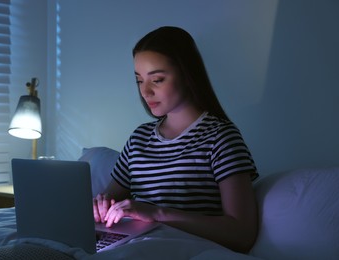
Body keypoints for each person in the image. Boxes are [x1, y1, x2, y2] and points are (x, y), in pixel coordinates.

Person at [93, 26, 259, 253]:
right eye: (139, 80)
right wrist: (100, 207)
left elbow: (242, 234)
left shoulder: (220, 137)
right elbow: (107, 202)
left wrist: (156, 213)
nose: (145, 92)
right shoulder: (139, 138)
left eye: (157, 80)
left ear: (187, 75)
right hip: (114, 248)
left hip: (170, 249)